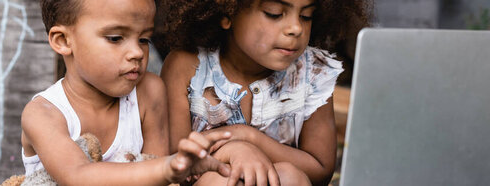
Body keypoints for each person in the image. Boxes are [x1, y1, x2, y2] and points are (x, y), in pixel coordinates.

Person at [158, 0, 369, 185]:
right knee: (219, 180)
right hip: (213, 178)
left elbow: (320, 171)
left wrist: (251, 138)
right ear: (227, 12)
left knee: (290, 176)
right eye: (274, 13)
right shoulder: (186, 67)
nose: (296, 28)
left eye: (306, 16)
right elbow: (175, 165)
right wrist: (233, 151)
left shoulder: (313, 73)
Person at [20, 0, 232, 185]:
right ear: (63, 41)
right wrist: (165, 169)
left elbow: (152, 164)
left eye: (144, 39)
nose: (137, 52)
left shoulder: (148, 93)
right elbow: (78, 176)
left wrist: (169, 168)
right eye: (115, 38)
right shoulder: (43, 113)